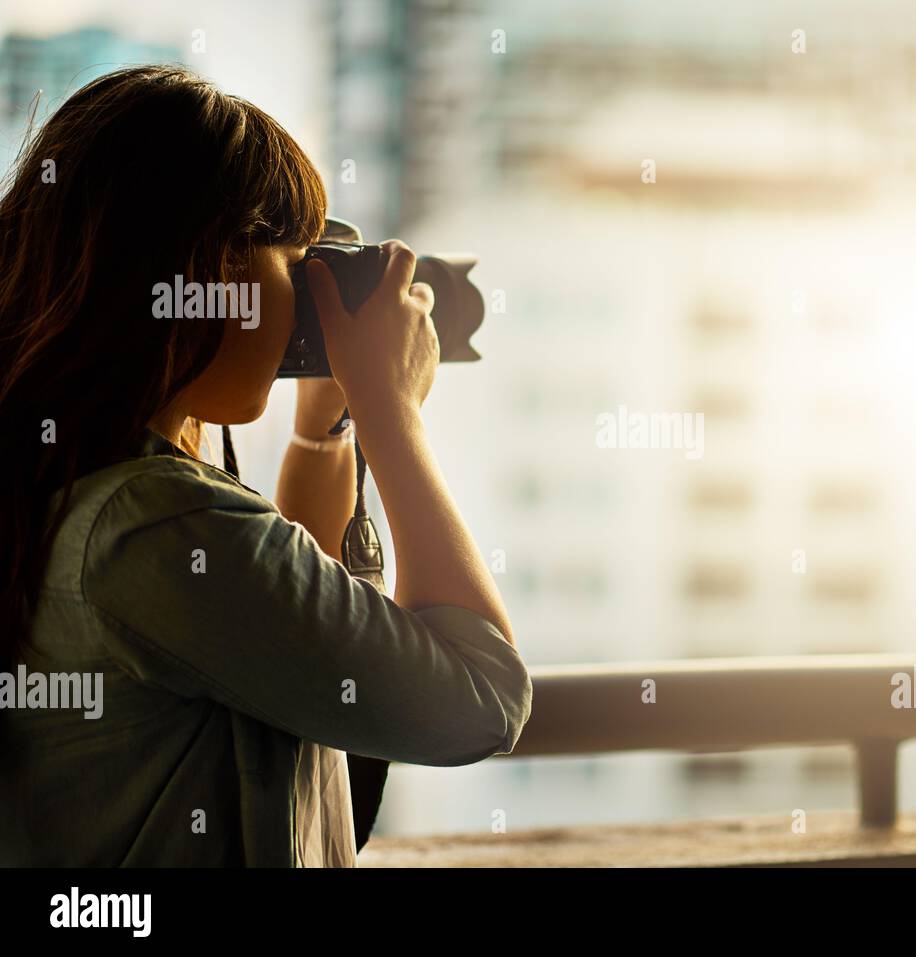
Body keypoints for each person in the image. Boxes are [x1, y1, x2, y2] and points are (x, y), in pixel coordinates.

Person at [0, 65, 532, 866]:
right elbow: (481, 701)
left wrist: (328, 428)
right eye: (292, 258)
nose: (307, 293)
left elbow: (291, 633)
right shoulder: (149, 525)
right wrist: (392, 409)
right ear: (206, 266)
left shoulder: (74, 485)